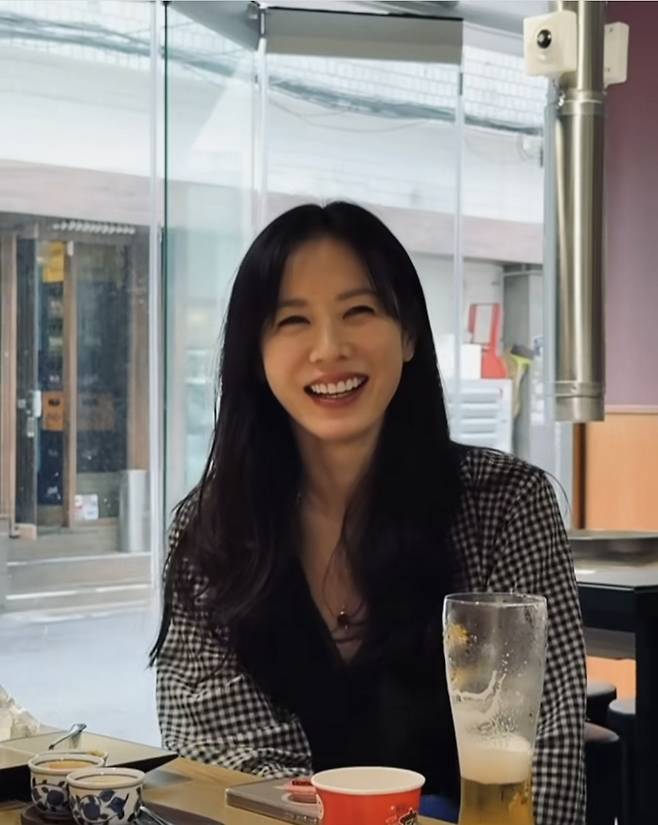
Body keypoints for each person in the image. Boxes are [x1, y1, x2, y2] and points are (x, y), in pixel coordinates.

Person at [150, 202, 586, 825]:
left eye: (359, 311)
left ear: (408, 334)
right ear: (256, 355)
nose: (330, 348)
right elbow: (225, 765)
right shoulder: (210, 535)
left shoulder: (505, 505)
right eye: (293, 320)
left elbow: (543, 753)